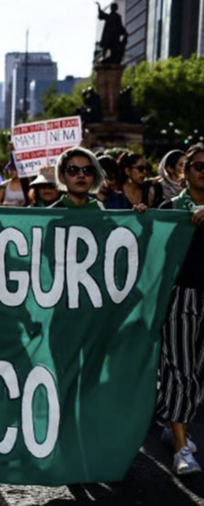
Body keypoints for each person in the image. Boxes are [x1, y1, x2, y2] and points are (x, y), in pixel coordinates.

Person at [156, 143, 204, 475]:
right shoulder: (170, 208)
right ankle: (181, 447)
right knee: (183, 372)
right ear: (184, 172)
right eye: (199, 166)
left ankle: (171, 414)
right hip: (181, 297)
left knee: (196, 375)